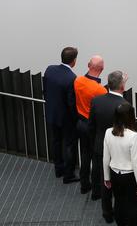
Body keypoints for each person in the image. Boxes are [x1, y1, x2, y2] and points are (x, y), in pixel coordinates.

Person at [88, 70, 129, 222]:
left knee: (105, 181)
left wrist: (96, 143)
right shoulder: (124, 105)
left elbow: (91, 126)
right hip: (118, 151)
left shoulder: (96, 101)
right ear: (122, 87)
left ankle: (107, 213)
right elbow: (128, 132)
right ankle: (120, 211)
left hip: (100, 146)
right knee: (120, 183)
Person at [103, 103, 137, 226]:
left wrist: (106, 177)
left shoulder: (108, 132)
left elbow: (105, 158)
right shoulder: (133, 136)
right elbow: (136, 162)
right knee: (133, 206)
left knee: (119, 204)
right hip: (130, 176)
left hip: (115, 174)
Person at [43, 47, 79, 184]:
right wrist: (75, 119)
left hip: (52, 113)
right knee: (69, 145)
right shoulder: (72, 78)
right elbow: (71, 103)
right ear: (74, 61)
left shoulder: (50, 69)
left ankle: (58, 169)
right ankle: (68, 175)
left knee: (56, 141)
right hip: (66, 119)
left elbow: (45, 90)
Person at [73, 55, 106, 194]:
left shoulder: (78, 80)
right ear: (102, 69)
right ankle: (96, 190)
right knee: (97, 158)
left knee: (85, 155)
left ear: (88, 65)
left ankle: (84, 185)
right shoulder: (100, 90)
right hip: (93, 127)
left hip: (80, 123)